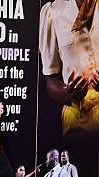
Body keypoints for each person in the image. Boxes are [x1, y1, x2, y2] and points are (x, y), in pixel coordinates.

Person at [39, 0, 99, 136]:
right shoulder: (53, 12)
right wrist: (68, 93)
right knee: (80, 156)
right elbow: (50, 78)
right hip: (78, 121)